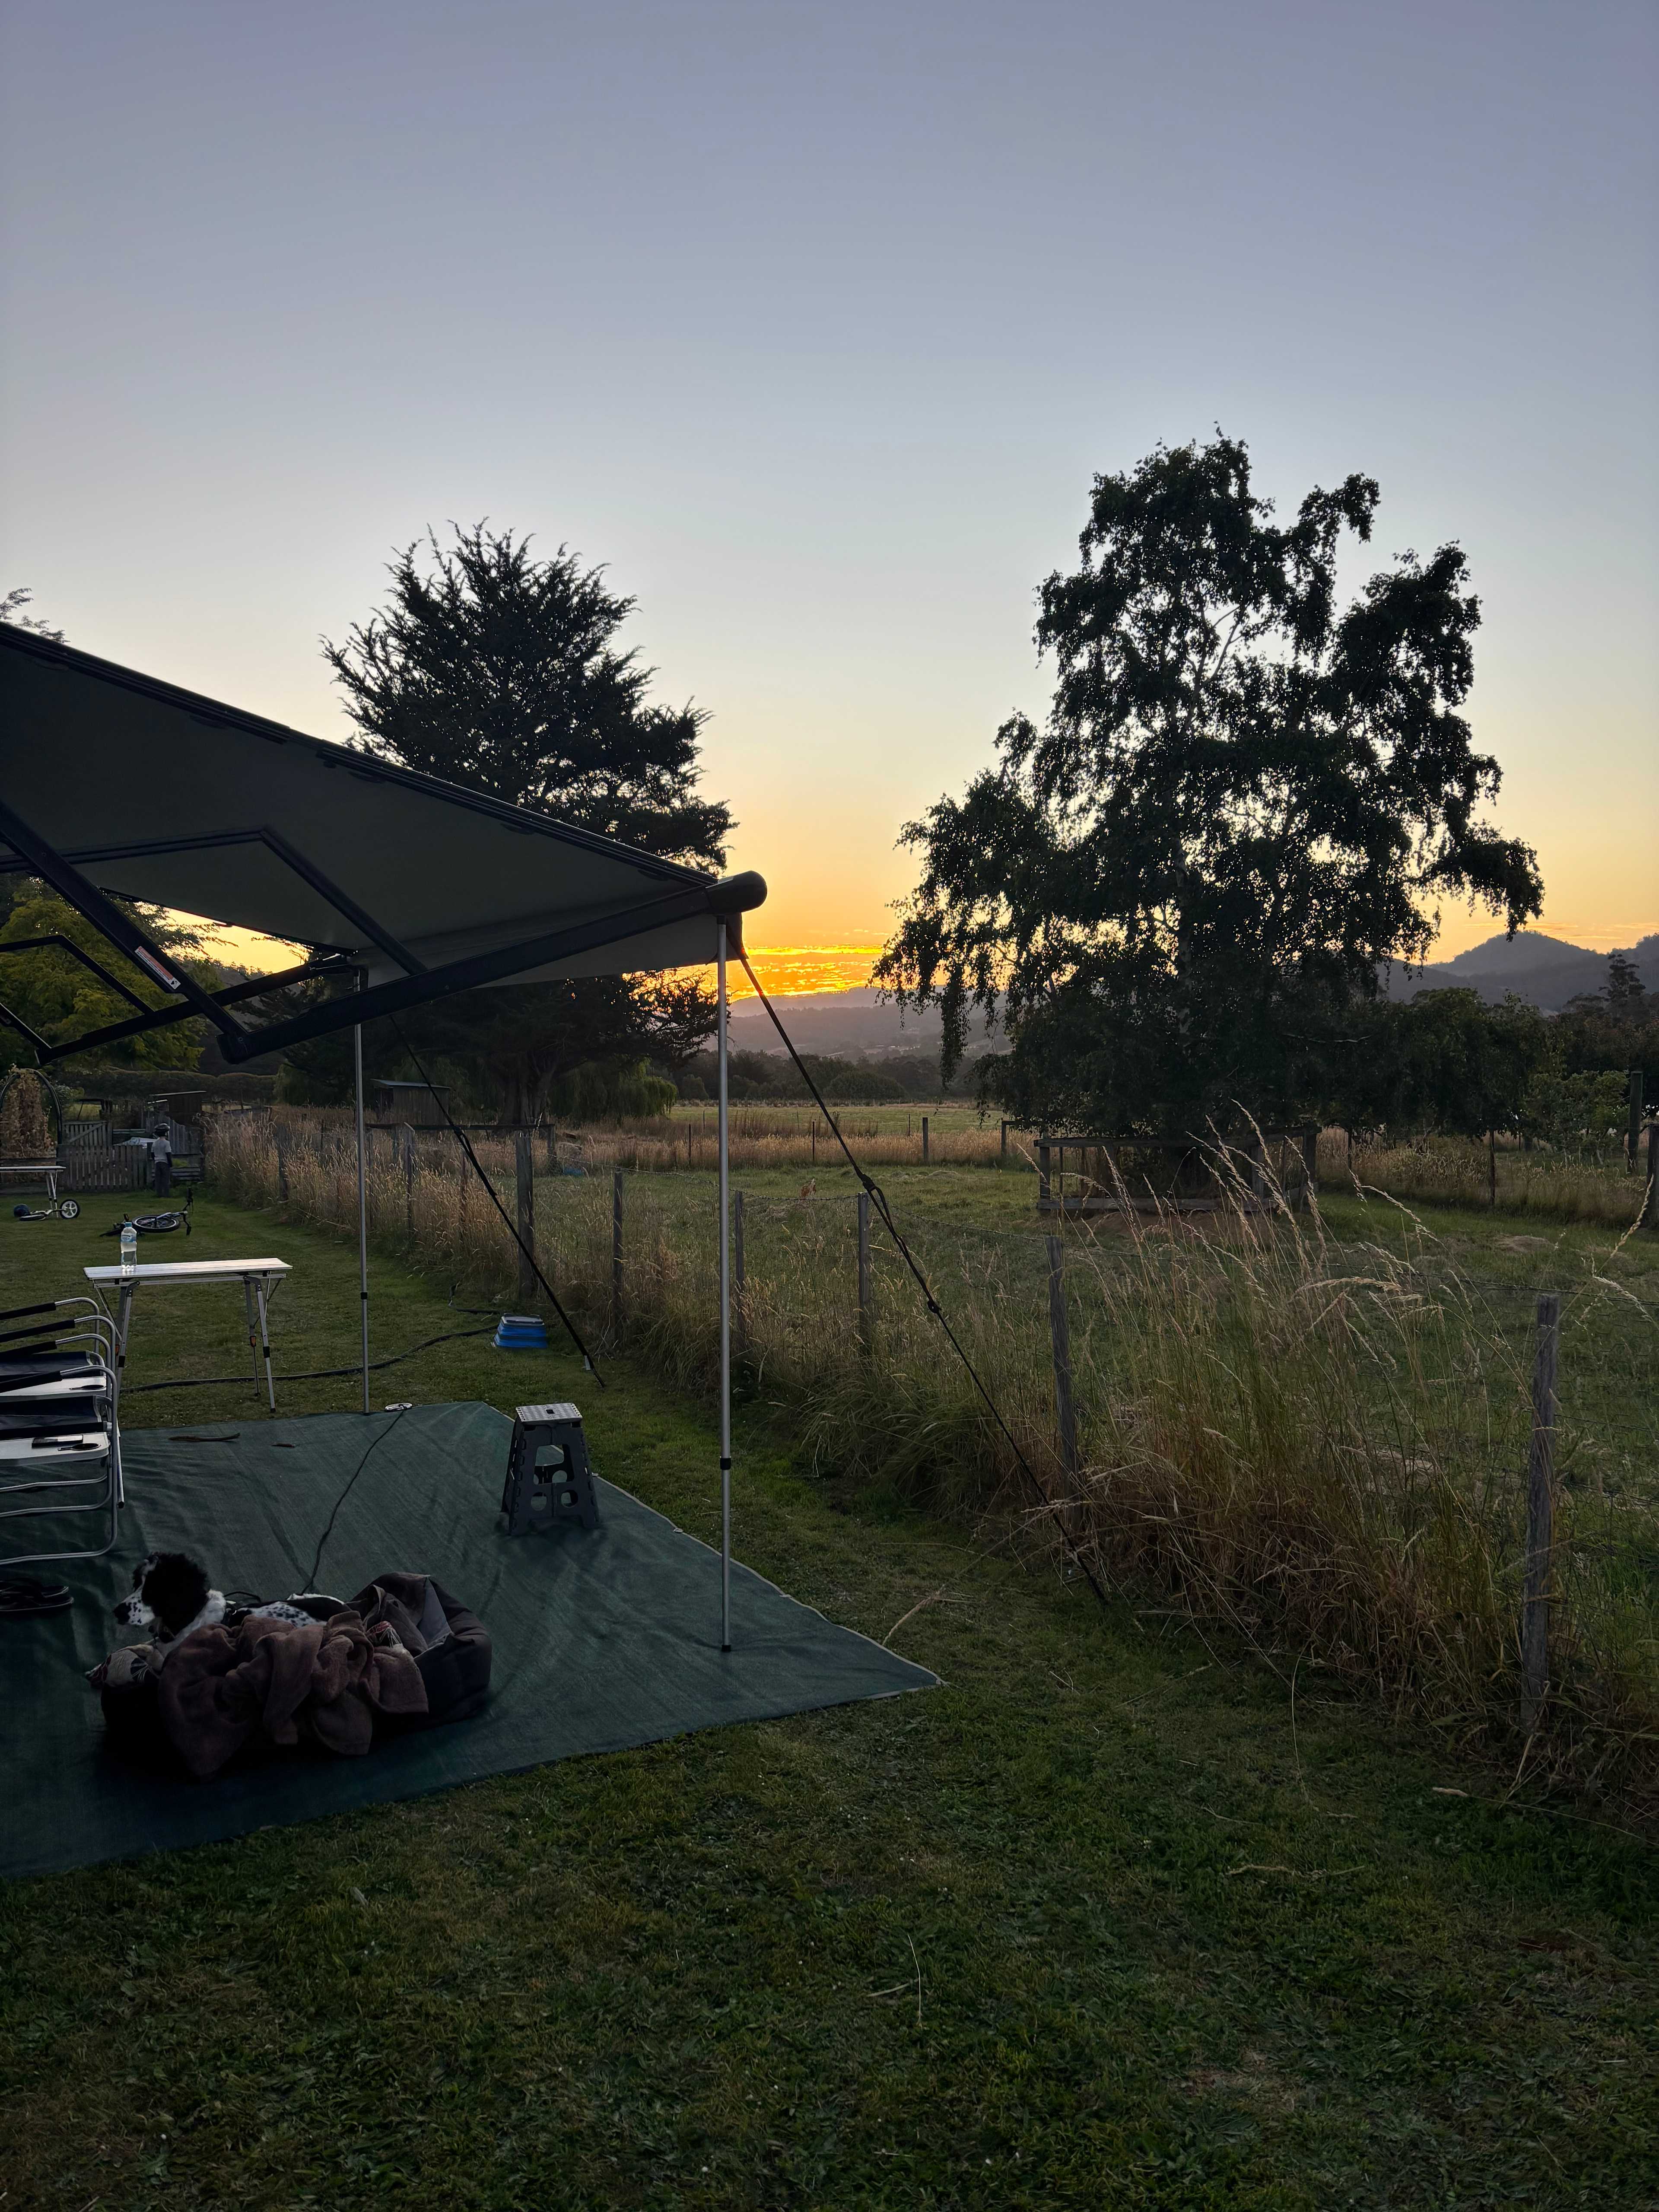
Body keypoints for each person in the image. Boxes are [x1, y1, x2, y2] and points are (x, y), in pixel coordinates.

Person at [151, 1124, 172, 1199]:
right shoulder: (167, 1143)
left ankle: (159, 1194)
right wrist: (171, 1164)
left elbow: (152, 1154)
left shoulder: (155, 1143)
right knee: (166, 1179)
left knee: (158, 1179)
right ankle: (166, 1194)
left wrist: (156, 1160)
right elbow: (168, 1154)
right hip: (165, 1162)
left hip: (157, 1162)